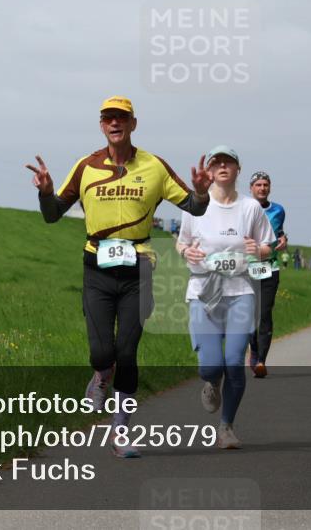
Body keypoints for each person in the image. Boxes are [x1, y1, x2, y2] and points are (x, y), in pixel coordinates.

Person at [26, 96, 212, 458]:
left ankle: (121, 430)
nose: (115, 123)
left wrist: (202, 192)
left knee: (127, 352)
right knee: (102, 353)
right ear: (101, 125)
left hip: (138, 268)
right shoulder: (86, 167)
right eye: (108, 118)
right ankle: (100, 375)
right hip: (96, 268)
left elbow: (194, 206)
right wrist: (46, 193)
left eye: (122, 118)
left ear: (133, 124)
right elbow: (52, 214)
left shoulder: (154, 166)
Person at [176, 146, 274, 449]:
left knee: (233, 363)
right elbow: (181, 243)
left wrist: (258, 251)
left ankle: (226, 427)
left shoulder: (250, 208)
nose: (222, 166)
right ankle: (211, 382)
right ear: (208, 170)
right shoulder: (194, 205)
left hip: (240, 291)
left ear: (237, 169)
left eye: (228, 162)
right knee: (210, 367)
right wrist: (186, 251)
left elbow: (268, 246)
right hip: (203, 291)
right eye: (216, 162)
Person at [247, 171, 286, 379]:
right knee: (249, 315)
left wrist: (283, 238)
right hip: (246, 269)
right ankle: (253, 348)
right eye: (258, 185)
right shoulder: (242, 208)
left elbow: (278, 232)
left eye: (265, 185)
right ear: (251, 188)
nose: (262, 188)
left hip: (270, 268)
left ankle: (261, 360)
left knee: (264, 313)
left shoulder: (278, 210)